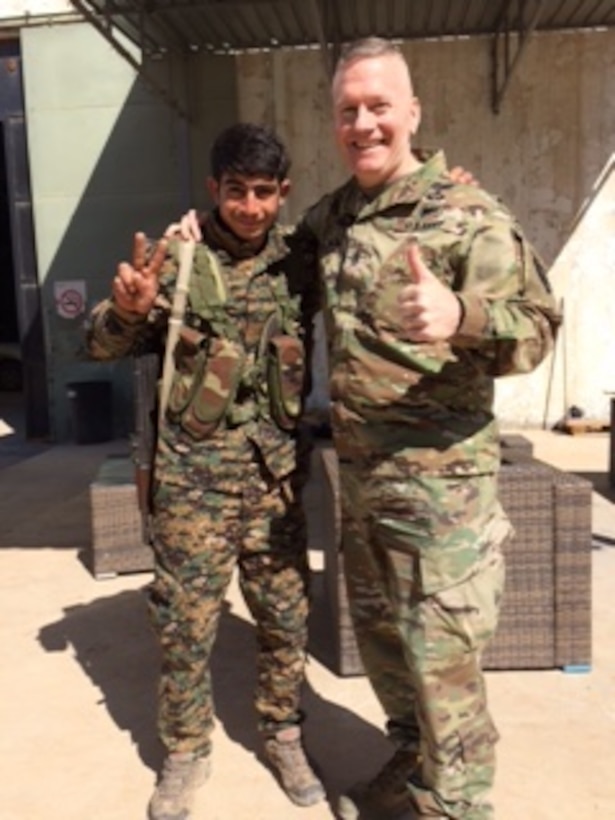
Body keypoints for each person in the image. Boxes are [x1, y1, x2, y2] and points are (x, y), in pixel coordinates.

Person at [177, 37, 561, 820]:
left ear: (411, 113)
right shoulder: (337, 215)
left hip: (439, 505)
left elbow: (537, 327)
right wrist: (196, 244)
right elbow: (266, 246)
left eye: (378, 106)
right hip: (361, 489)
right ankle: (413, 771)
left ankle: (453, 805)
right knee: (388, 658)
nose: (363, 123)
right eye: (348, 111)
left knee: (445, 678)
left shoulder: (467, 215)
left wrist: (461, 315)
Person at [84, 123, 325, 820]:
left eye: (263, 193)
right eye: (236, 191)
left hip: (275, 485)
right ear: (214, 188)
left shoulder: (298, 261)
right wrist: (126, 310)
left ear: (282, 194)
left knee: (285, 620)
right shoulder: (178, 259)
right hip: (193, 488)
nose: (249, 206)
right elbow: (99, 340)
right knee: (184, 629)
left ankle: (282, 734)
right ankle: (185, 753)